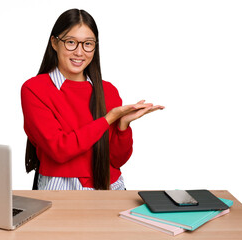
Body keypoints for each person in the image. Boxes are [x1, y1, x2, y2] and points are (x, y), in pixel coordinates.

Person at [21, 9, 164, 190]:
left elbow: (116, 160)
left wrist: (123, 126)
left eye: (88, 44)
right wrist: (108, 119)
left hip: (110, 188)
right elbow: (58, 149)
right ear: (54, 43)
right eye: (71, 42)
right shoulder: (35, 89)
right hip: (60, 188)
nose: (80, 52)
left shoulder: (109, 90)